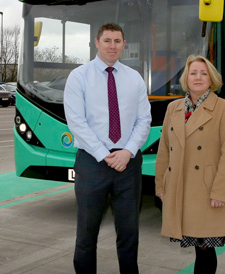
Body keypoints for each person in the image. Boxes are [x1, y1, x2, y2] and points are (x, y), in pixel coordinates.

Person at [63, 23, 152, 274]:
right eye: (107, 40)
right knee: (86, 236)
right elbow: (76, 122)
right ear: (96, 42)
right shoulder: (79, 77)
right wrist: (104, 155)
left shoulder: (134, 78)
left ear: (124, 45)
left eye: (117, 41)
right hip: (92, 163)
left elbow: (144, 119)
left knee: (129, 233)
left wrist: (128, 151)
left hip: (128, 163)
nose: (112, 46)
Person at [155, 55, 225, 274]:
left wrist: (220, 192)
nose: (198, 77)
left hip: (208, 189)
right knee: (197, 246)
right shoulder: (173, 108)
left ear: (211, 79)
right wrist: (161, 185)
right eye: (193, 73)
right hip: (179, 187)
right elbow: (164, 150)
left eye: (204, 73)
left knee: (205, 247)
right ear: (186, 78)